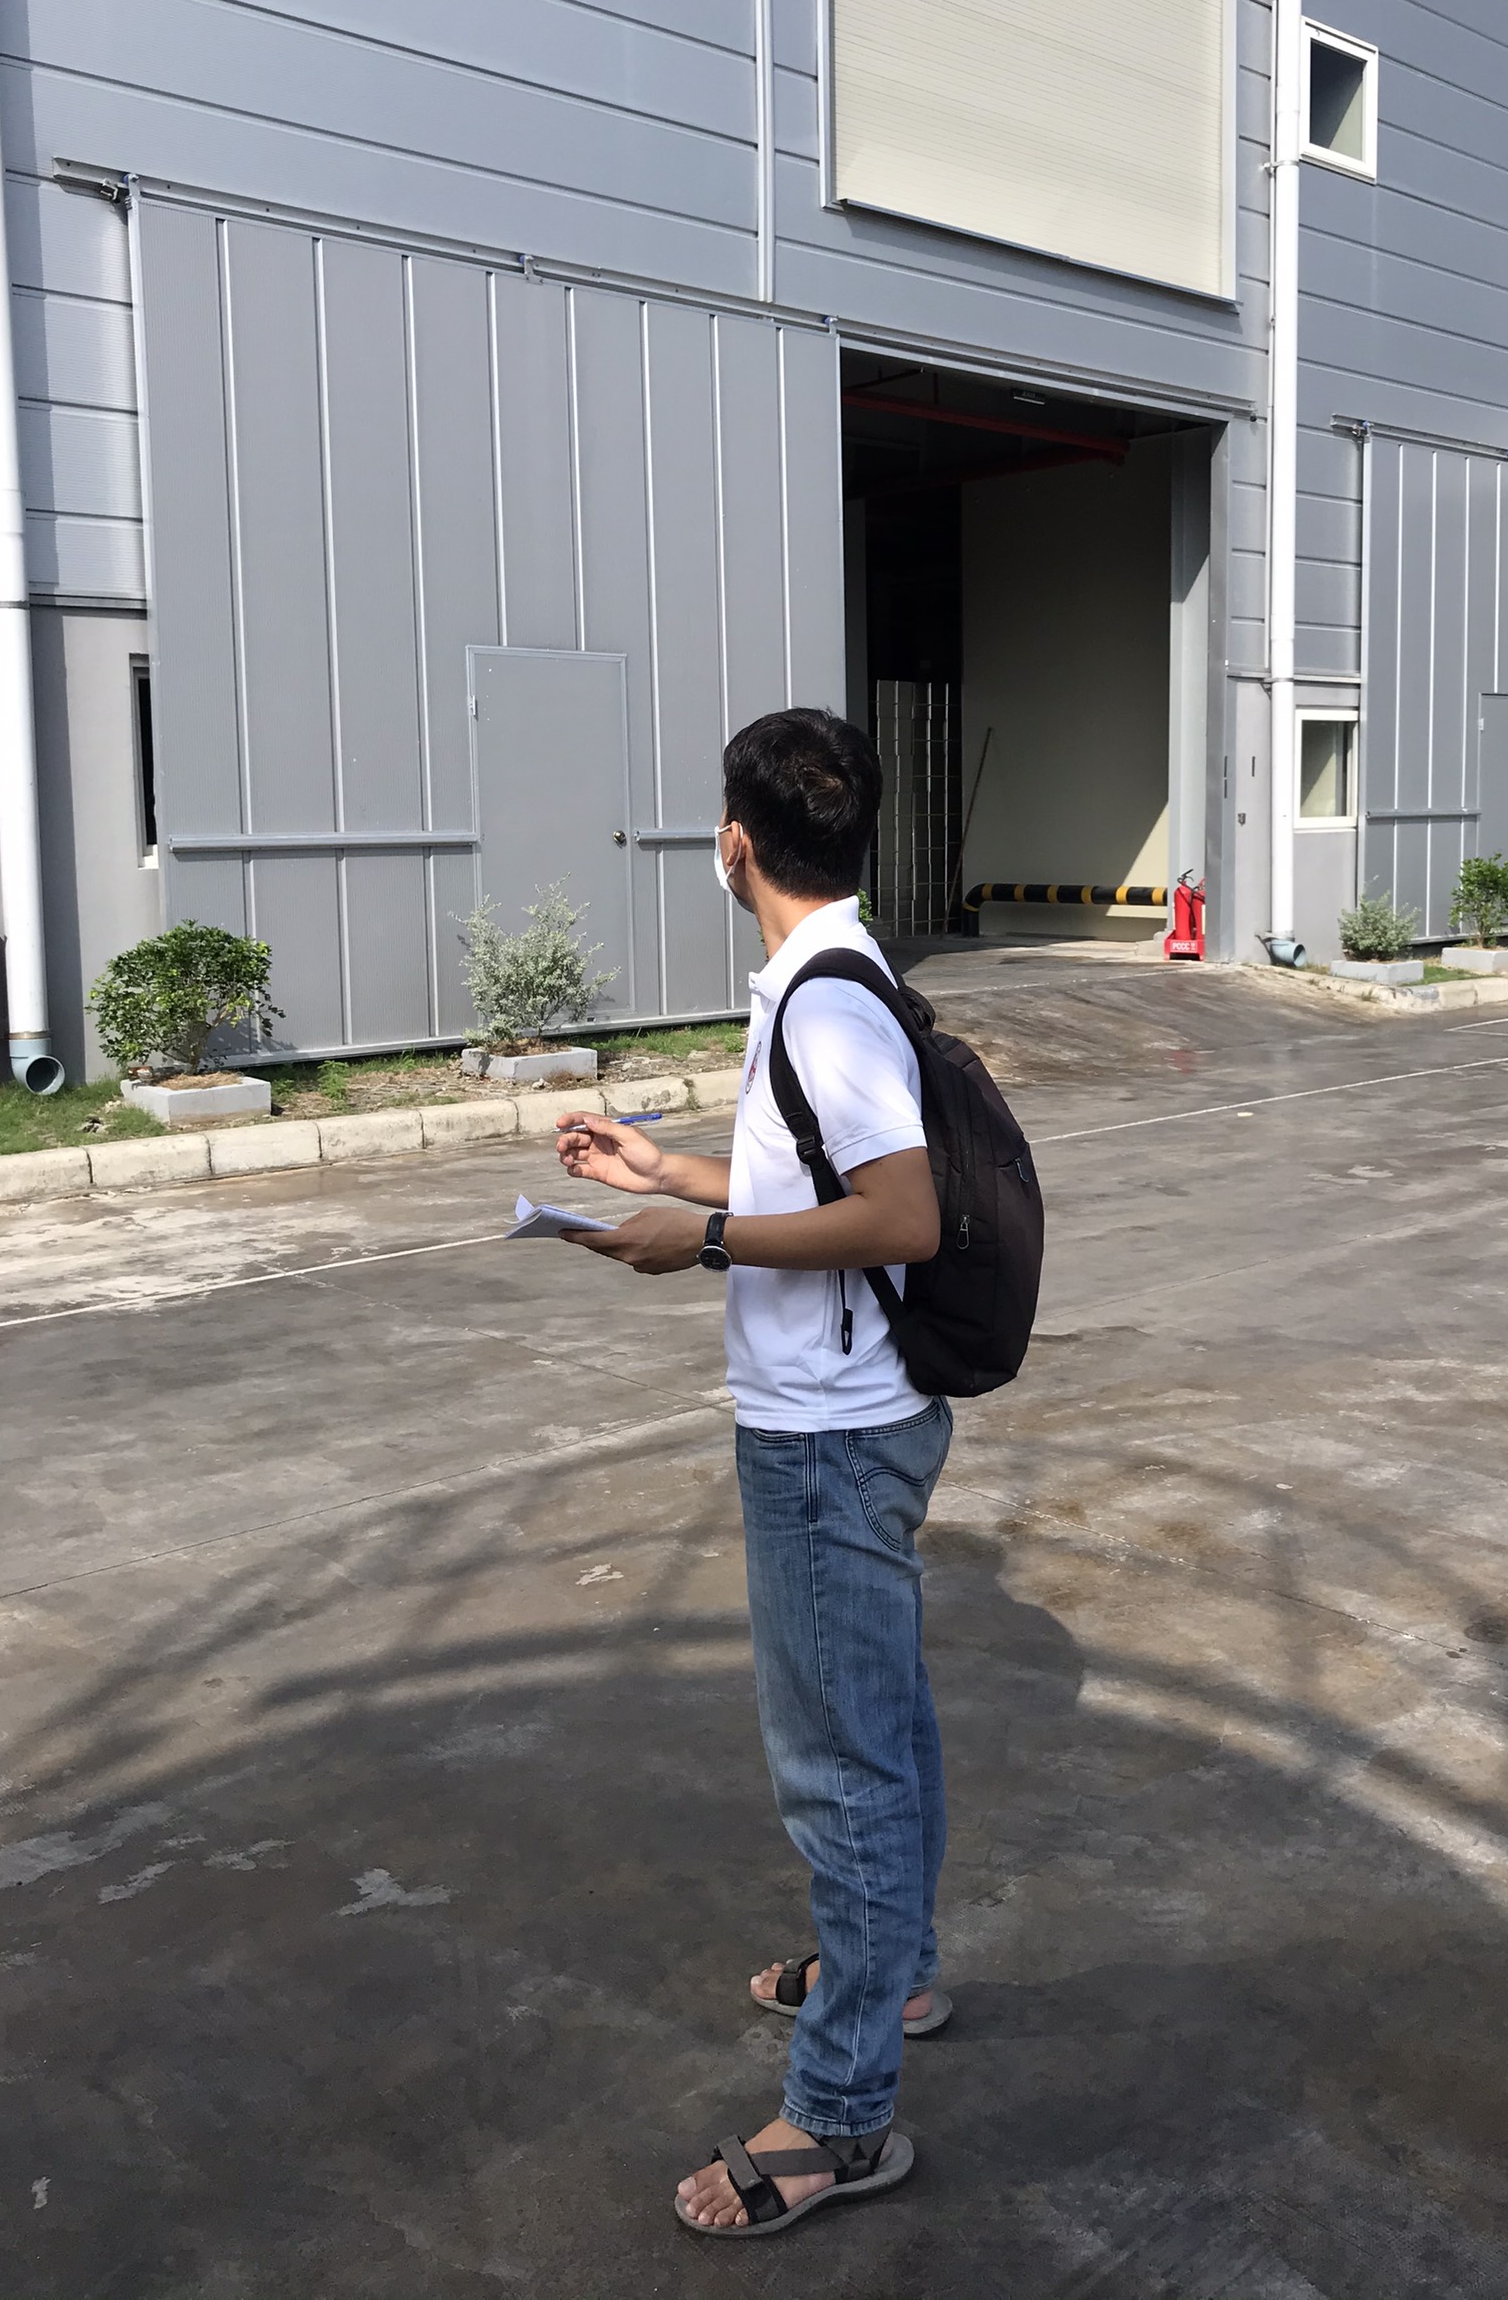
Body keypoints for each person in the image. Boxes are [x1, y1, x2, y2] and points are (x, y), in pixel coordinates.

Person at [553, 707, 950, 2240]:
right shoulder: (827, 979)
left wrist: (703, 1242)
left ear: (736, 843)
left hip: (827, 1440)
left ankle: (839, 2118)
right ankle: (887, 1974)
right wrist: (669, 1175)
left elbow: (901, 1215)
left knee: (841, 1771)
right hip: (849, 1418)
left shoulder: (829, 1007)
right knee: (882, 1731)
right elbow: (816, 1178)